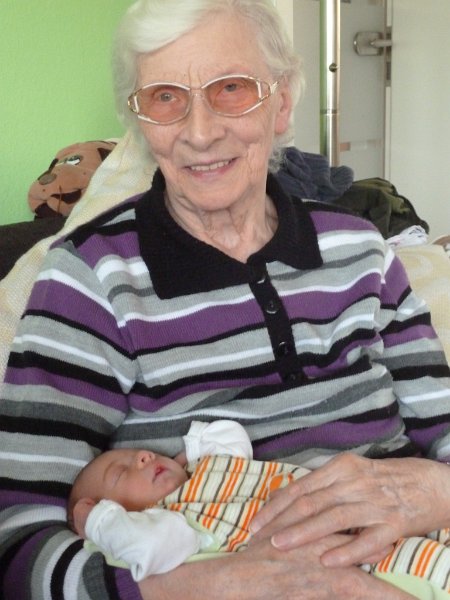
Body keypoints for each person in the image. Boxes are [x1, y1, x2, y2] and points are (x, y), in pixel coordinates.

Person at [1, 0, 450, 599]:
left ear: (282, 104)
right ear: (140, 121)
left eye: (231, 88)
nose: (200, 132)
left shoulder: (362, 249)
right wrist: (220, 585)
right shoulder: (91, 277)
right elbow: (18, 540)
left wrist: (437, 492)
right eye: (165, 97)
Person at [69, 420, 450, 597]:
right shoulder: (166, 520)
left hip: (393, 504)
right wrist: (99, 521)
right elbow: (148, 547)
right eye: (120, 473)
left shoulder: (205, 468)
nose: (143, 457)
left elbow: (231, 435)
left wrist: (190, 451)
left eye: (141, 453)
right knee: (423, 568)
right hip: (341, 556)